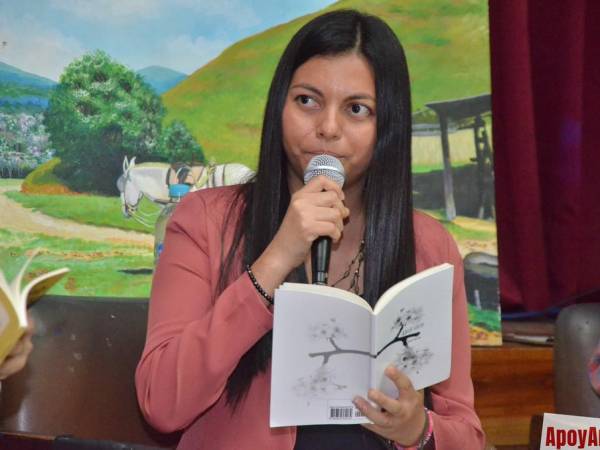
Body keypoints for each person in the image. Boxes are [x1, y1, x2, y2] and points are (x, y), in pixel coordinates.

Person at [136, 9, 485, 450]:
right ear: (279, 104)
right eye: (307, 100)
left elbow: (468, 434)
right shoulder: (204, 222)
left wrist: (418, 431)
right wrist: (275, 261)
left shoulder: (429, 246)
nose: (327, 128)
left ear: (387, 127)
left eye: (357, 109)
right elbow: (161, 404)